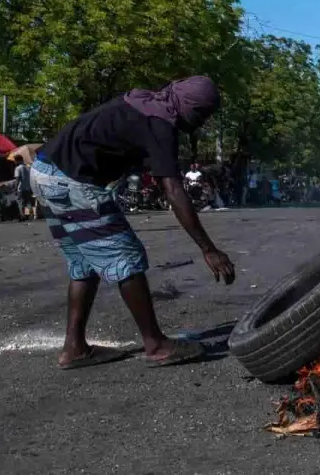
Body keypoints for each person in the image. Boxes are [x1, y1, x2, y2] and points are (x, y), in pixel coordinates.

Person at [32, 75, 235, 369]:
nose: (200, 122)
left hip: (43, 171)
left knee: (86, 264)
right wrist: (208, 248)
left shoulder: (142, 102)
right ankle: (156, 344)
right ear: (189, 105)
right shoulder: (160, 122)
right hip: (71, 182)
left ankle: (74, 349)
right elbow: (173, 190)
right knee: (126, 256)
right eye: (201, 114)